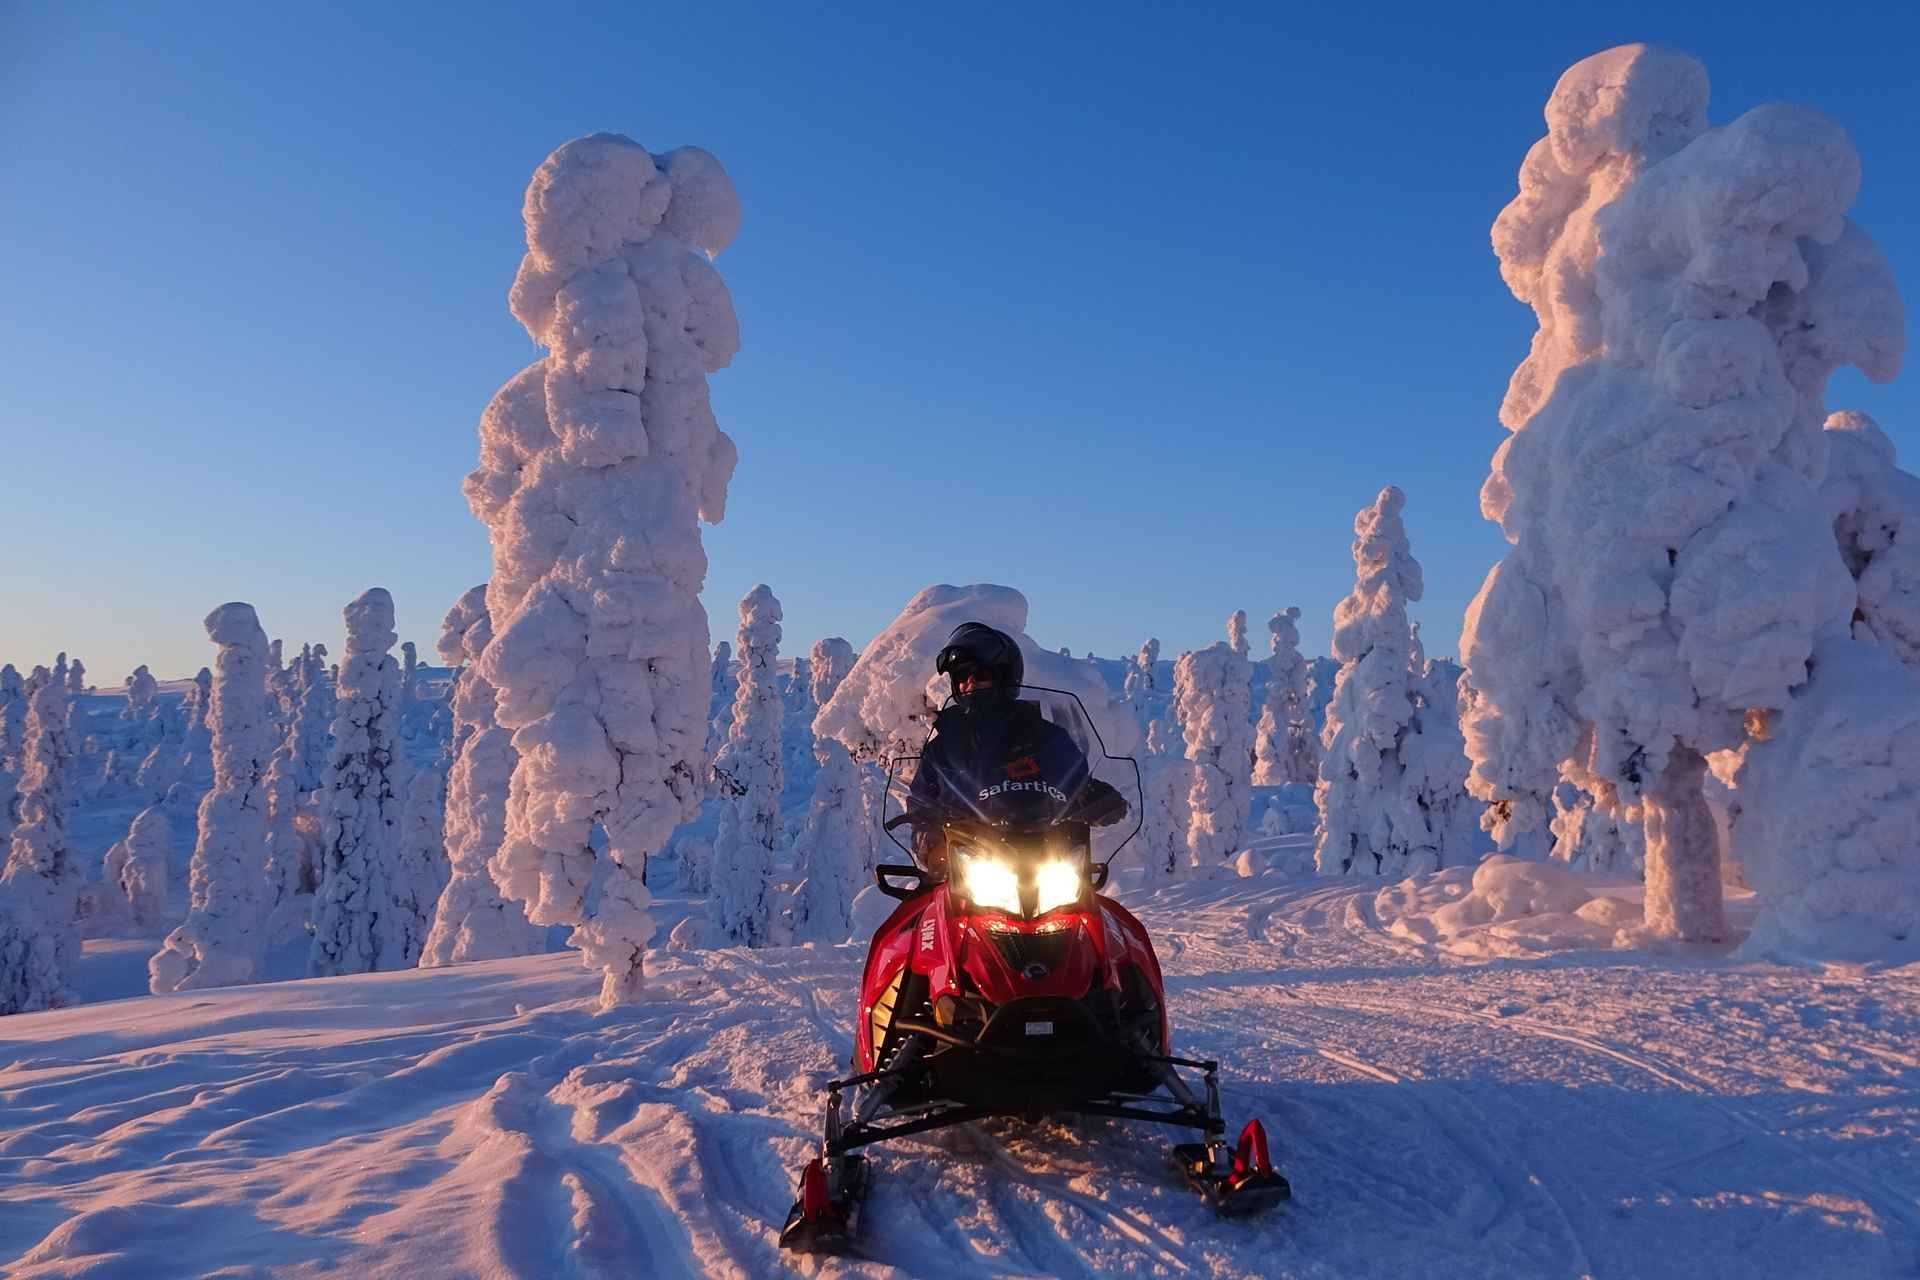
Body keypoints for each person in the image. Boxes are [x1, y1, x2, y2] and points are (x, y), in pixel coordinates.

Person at [906, 622, 1128, 876]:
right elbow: (920, 805)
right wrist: (931, 842)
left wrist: (1092, 795)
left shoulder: (1047, 736)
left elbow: (1073, 779)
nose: (970, 684)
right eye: (961, 677)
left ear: (1005, 676)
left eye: (980, 675)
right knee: (918, 913)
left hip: (1048, 863)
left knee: (1106, 914)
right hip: (972, 870)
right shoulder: (943, 747)